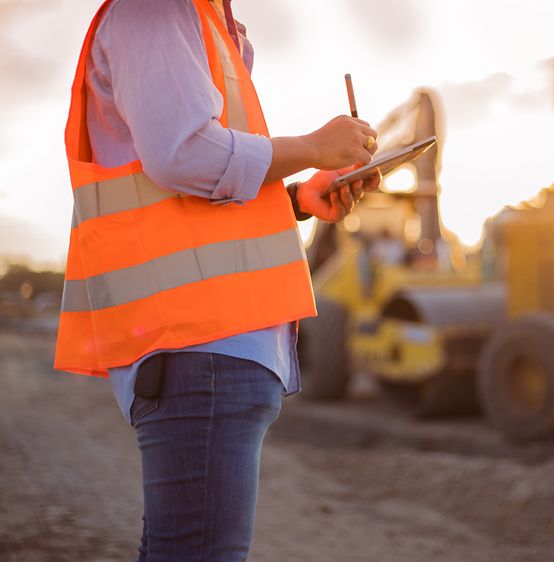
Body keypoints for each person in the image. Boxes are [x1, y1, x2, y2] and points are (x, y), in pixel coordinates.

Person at [53, 1, 380, 560]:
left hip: (208, 348)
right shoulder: (156, 11)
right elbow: (183, 154)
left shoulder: (201, 22)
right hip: (199, 347)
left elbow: (196, 187)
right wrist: (313, 148)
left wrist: (299, 199)